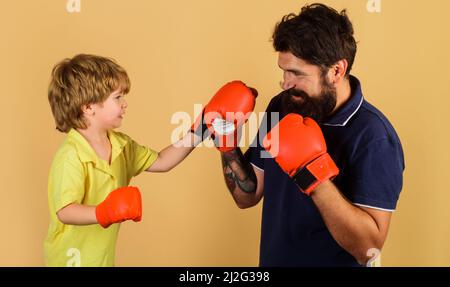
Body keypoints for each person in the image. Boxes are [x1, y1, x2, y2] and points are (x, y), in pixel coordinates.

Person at [214, 3, 405, 266]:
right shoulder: (282, 106)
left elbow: (368, 249)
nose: (285, 82)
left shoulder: (373, 137)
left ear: (336, 70)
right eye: (283, 69)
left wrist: (313, 174)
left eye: (296, 73)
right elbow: (247, 196)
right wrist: (226, 144)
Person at [44, 54, 202, 267]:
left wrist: (201, 130)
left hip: (103, 260)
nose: (125, 104)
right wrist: (104, 211)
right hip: (70, 260)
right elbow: (64, 211)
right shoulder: (71, 155)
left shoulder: (121, 145)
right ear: (88, 106)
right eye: (117, 97)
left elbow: (163, 161)